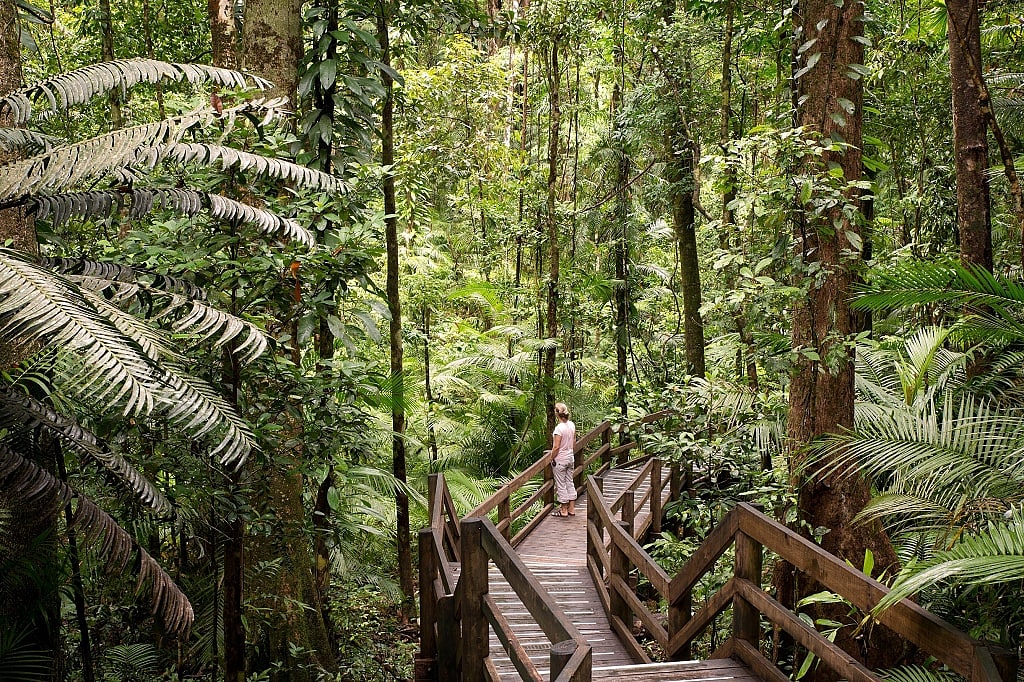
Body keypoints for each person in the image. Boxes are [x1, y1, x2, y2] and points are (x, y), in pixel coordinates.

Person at [548, 402, 577, 517]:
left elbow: (556, 447)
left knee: (561, 484)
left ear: (557, 414)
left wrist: (552, 457)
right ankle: (572, 509)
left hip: (560, 459)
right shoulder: (571, 425)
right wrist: (570, 451)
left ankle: (564, 510)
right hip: (570, 457)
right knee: (569, 482)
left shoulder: (559, 429)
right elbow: (574, 441)